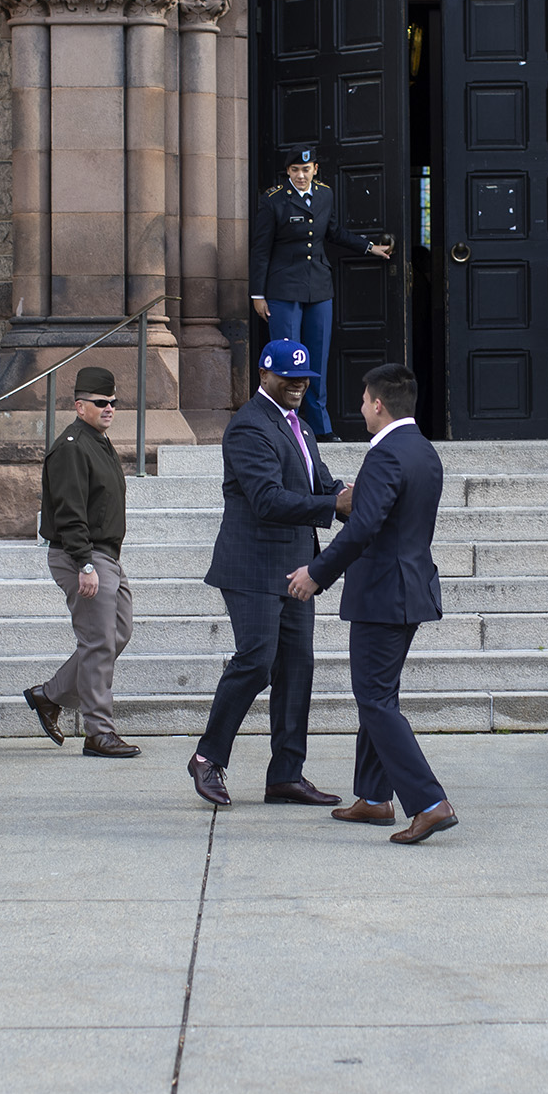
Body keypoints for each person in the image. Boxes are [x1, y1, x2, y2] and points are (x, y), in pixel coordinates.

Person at [287, 363, 457, 846]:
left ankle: (428, 802)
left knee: (376, 700)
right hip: (408, 589)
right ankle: (374, 796)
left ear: (378, 405)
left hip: (384, 594)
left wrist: (316, 574)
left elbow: (364, 528)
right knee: (380, 696)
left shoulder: (384, 455)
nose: (361, 408)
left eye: (363, 401)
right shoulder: (422, 450)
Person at [188, 339, 348, 810]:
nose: (298, 385)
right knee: (256, 660)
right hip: (252, 567)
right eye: (288, 377)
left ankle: (285, 776)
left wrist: (352, 498)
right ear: (264, 375)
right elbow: (267, 500)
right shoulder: (248, 428)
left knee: (297, 669)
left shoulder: (300, 425)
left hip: (296, 567)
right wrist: (332, 505)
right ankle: (206, 758)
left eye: (304, 378)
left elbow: (319, 483)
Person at [23, 365, 141, 759]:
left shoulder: (97, 441)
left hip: (105, 554)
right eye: (100, 403)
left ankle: (49, 695)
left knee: (116, 634)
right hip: (84, 555)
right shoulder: (72, 446)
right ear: (79, 405)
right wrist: (84, 563)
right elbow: (70, 510)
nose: (109, 408)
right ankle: (98, 732)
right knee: (97, 643)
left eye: (113, 402)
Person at [249, 147, 393, 441]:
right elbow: (260, 249)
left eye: (306, 170)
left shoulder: (325, 194)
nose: (300, 176)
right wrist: (257, 295)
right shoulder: (273, 200)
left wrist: (369, 247)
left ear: (315, 168)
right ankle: (282, 427)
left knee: (317, 359)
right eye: (294, 171)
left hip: (319, 287)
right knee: (287, 360)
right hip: (283, 289)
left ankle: (320, 426)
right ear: (288, 172)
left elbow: (334, 232)